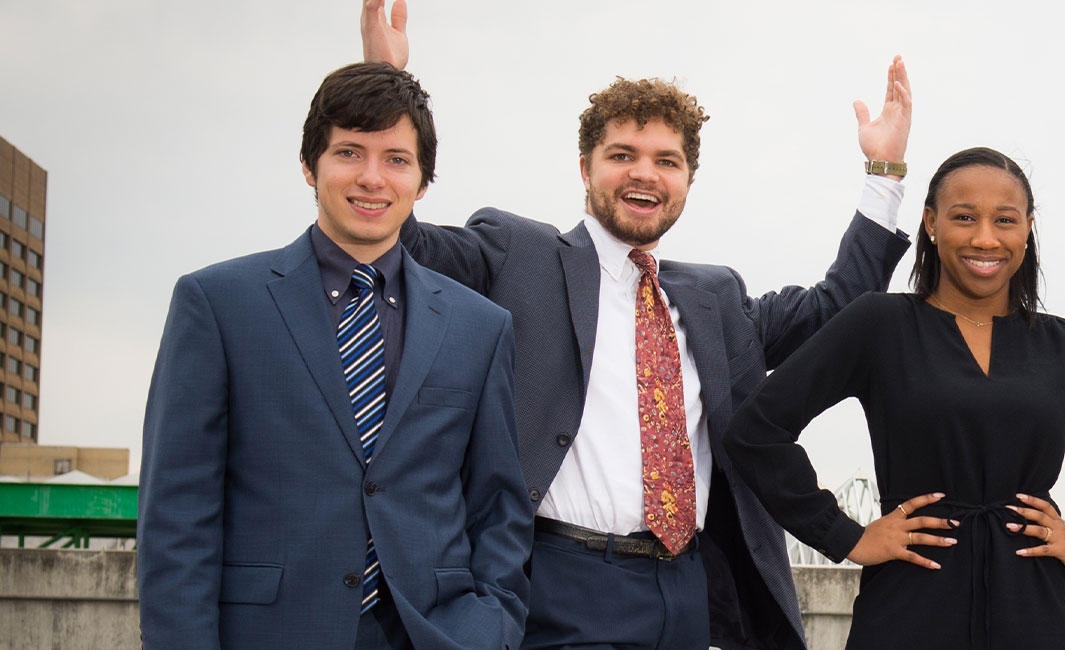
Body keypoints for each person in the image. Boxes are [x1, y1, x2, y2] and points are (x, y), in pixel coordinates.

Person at [359, 2, 913, 648]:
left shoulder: (715, 298)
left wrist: (883, 177)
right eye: (622, 154)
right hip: (555, 583)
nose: (644, 172)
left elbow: (834, 312)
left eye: (666, 160)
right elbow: (404, 249)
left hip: (688, 591)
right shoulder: (517, 255)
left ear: (687, 180)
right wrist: (383, 89)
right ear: (585, 167)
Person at [722, 147, 1065, 650]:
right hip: (907, 608)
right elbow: (757, 431)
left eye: (1005, 220)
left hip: (1031, 610)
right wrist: (844, 534)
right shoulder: (878, 325)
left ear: (1027, 230)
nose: (986, 237)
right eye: (964, 218)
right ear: (931, 224)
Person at [139, 61, 530, 650]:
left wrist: (490, 626)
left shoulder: (481, 326)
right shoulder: (216, 303)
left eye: (397, 159)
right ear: (309, 165)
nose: (373, 178)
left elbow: (497, 506)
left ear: (422, 182)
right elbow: (177, 514)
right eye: (349, 152)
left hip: (434, 635)